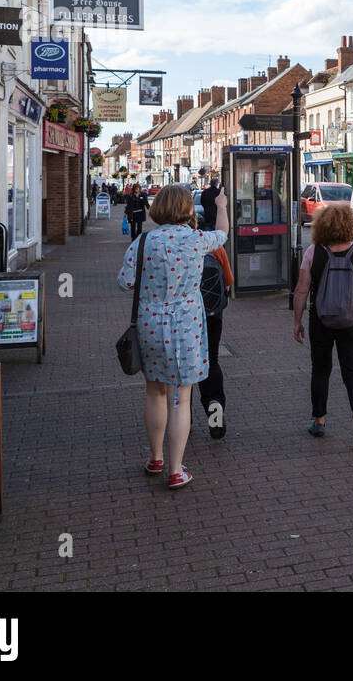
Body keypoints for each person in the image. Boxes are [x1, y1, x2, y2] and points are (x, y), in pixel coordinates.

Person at [117, 183, 230, 490]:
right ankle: (176, 471)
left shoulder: (143, 243)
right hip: (186, 325)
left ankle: (155, 459)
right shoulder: (197, 240)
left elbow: (125, 282)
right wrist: (220, 206)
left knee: (154, 392)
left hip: (150, 323)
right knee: (180, 398)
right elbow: (223, 234)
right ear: (187, 210)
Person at [292, 203, 353, 450]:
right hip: (351, 320)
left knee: (320, 370)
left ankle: (319, 420)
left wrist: (297, 321)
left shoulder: (313, 252)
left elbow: (301, 290)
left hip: (321, 319)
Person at [197, 232, 234, 440]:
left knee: (180, 370)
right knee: (211, 361)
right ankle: (214, 408)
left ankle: (183, 420)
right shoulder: (213, 246)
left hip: (181, 318)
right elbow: (227, 281)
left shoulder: (170, 246)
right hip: (212, 315)